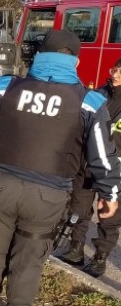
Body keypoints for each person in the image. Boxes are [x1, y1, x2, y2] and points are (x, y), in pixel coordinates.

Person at [0, 30, 121, 306]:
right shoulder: (89, 101)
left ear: (39, 54)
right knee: (29, 260)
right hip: (48, 195)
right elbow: (103, 157)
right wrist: (110, 193)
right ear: (75, 60)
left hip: (1, 185)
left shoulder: (7, 85)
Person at [58, 58, 121, 277]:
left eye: (120, 71)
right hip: (85, 165)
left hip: (114, 172)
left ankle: (100, 257)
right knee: (78, 210)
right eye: (115, 69)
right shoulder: (100, 95)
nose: (115, 74)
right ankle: (75, 249)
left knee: (108, 217)